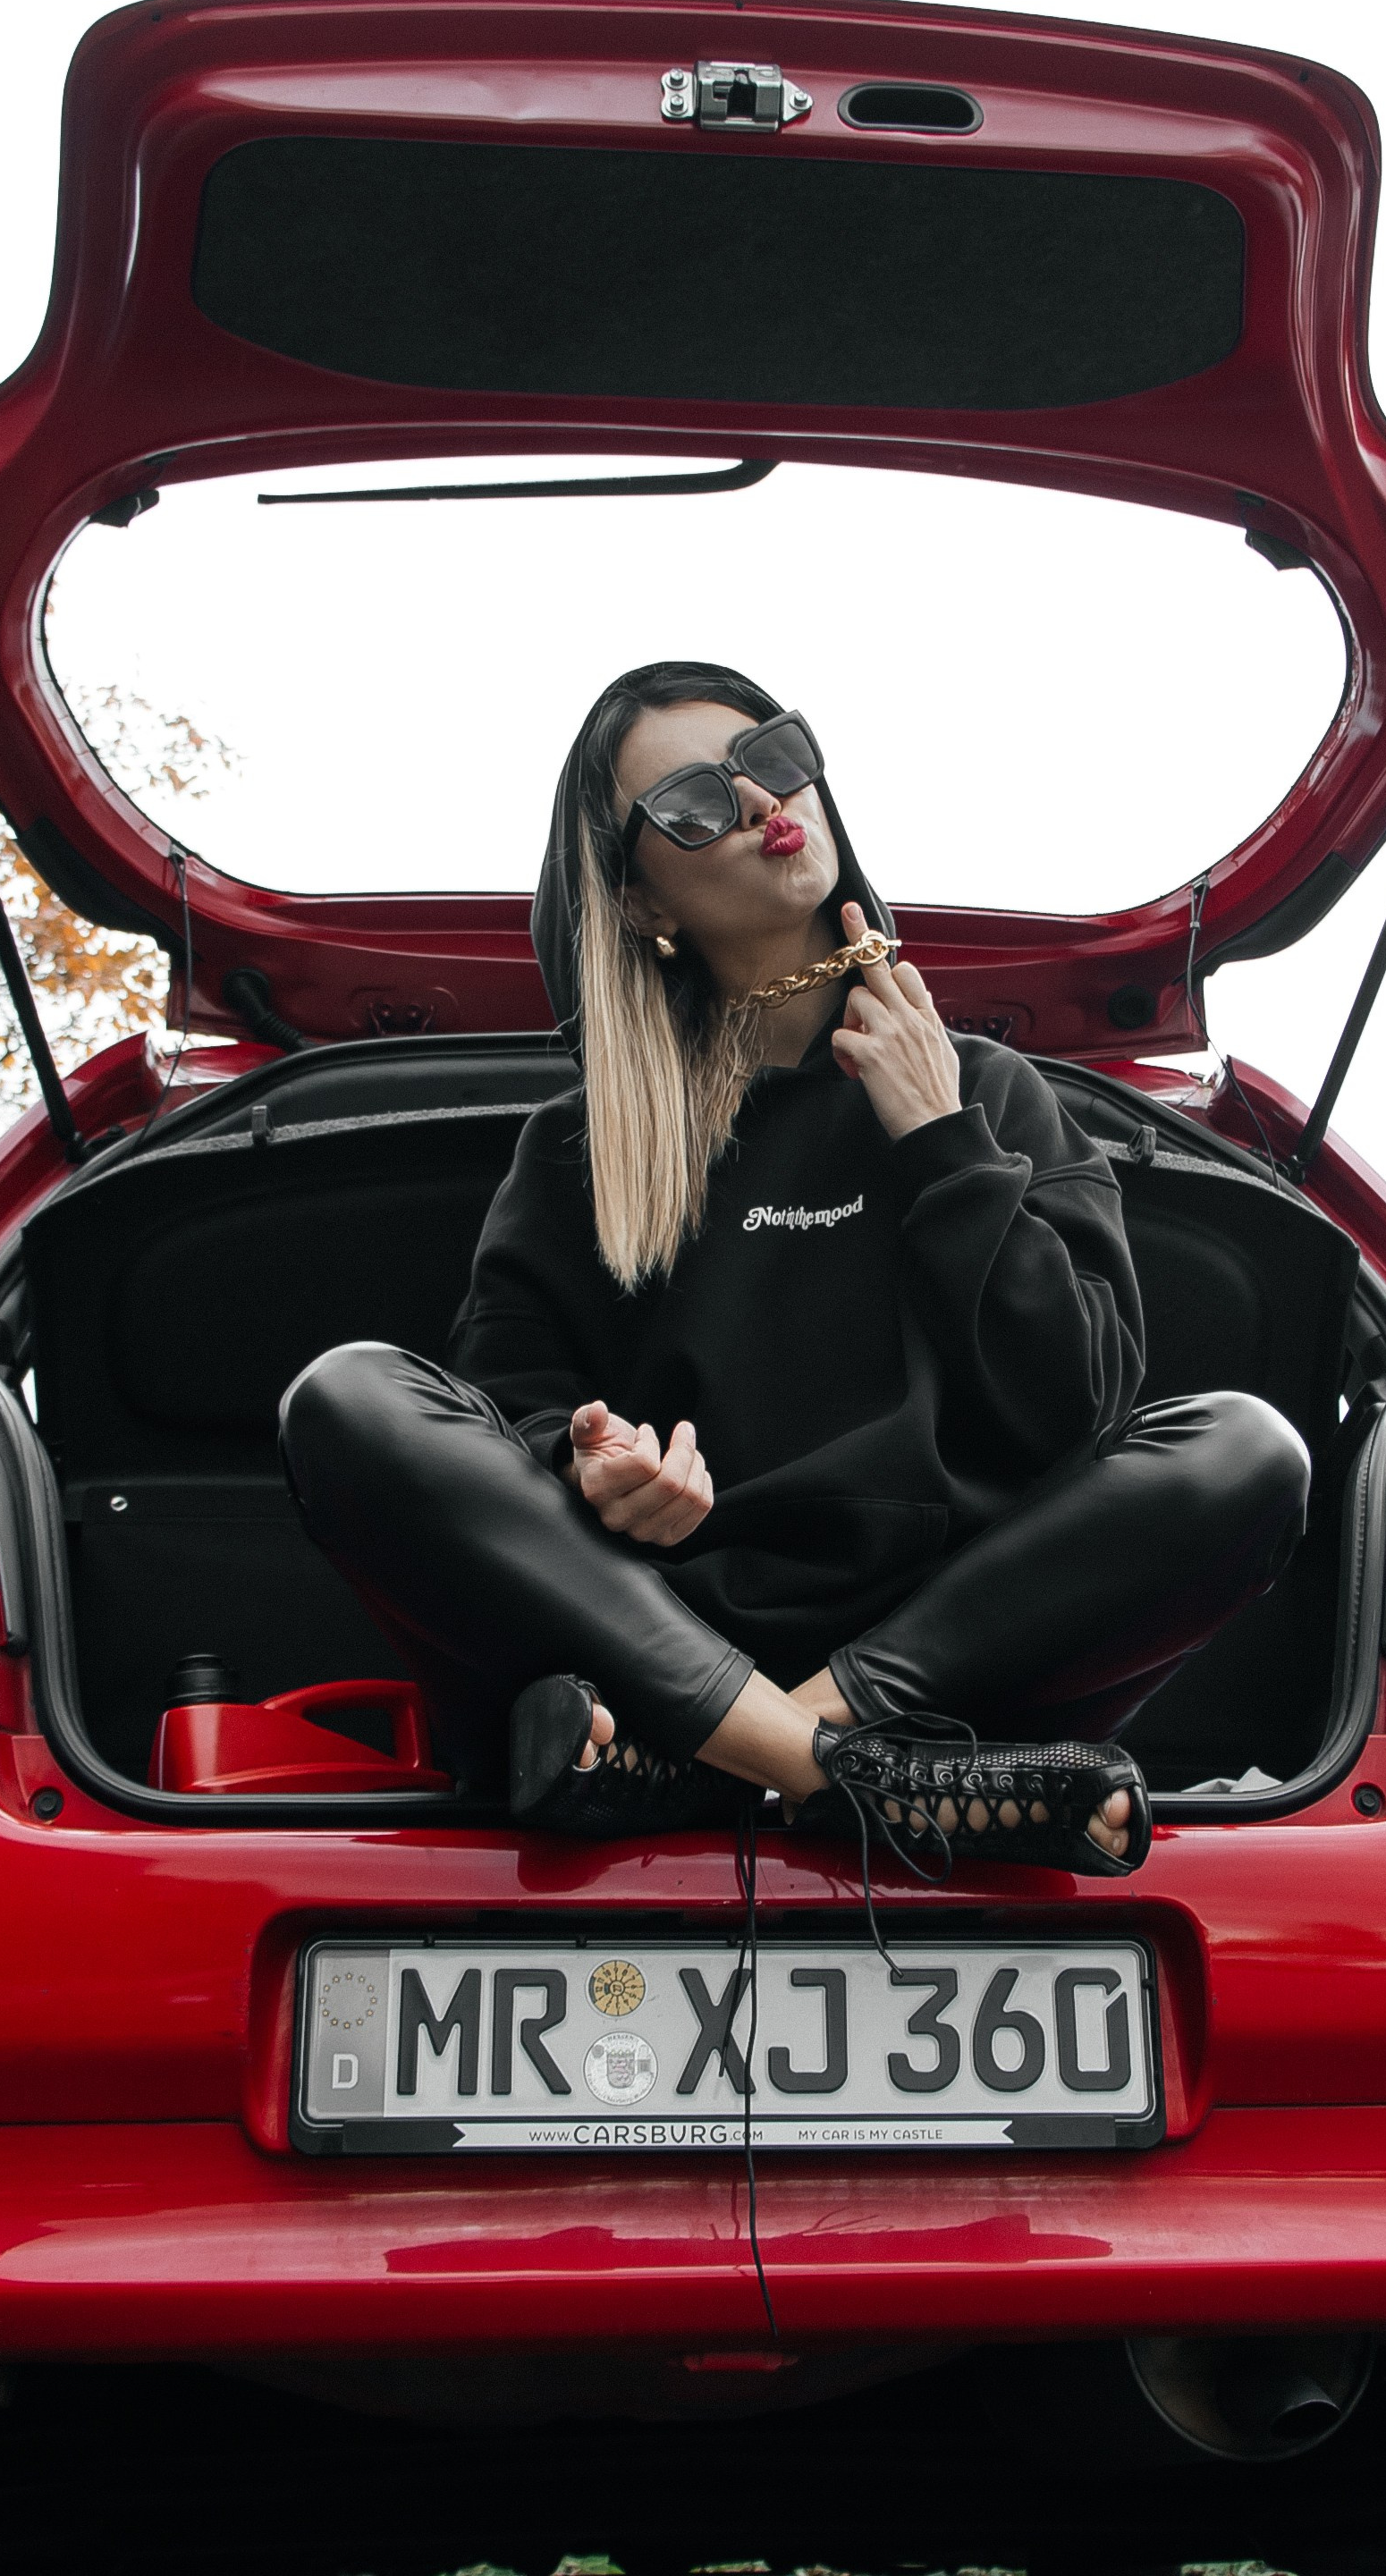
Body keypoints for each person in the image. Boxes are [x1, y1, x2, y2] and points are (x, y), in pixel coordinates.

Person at [281, 662, 1311, 1873]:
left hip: (948, 1653)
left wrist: (941, 1144)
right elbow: (503, 1415)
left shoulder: (985, 1094)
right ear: (637, 900)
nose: (764, 800)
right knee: (347, 1397)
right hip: (664, 1634)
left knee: (1249, 1449)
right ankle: (850, 1780)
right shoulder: (580, 1146)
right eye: (696, 807)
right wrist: (591, 1458)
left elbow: (1073, 1412)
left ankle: (730, 1761)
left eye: (772, 756)